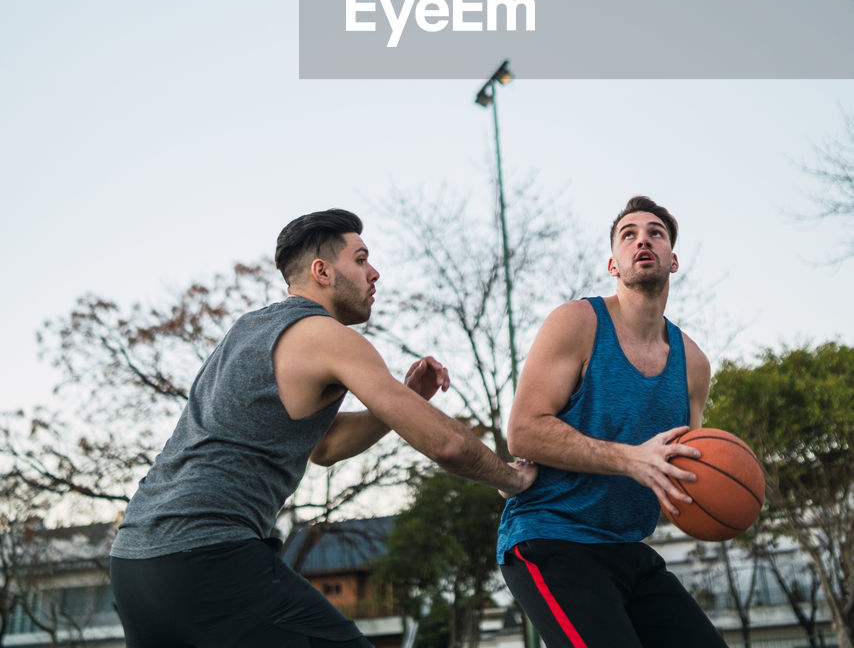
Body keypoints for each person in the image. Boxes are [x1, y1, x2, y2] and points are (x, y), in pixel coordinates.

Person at [110, 208, 536, 648]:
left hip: (134, 563)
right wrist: (513, 478)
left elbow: (325, 445)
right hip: (206, 555)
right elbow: (447, 445)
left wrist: (404, 400)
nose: (374, 273)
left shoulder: (248, 330)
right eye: (361, 259)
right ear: (323, 271)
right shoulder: (327, 336)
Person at [497, 195, 727, 648]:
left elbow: (690, 471)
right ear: (613, 264)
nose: (643, 239)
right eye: (629, 234)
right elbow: (523, 429)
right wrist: (632, 460)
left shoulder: (693, 363)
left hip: (627, 546)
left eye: (655, 233)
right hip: (550, 537)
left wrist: (719, 497)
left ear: (673, 259)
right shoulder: (578, 323)